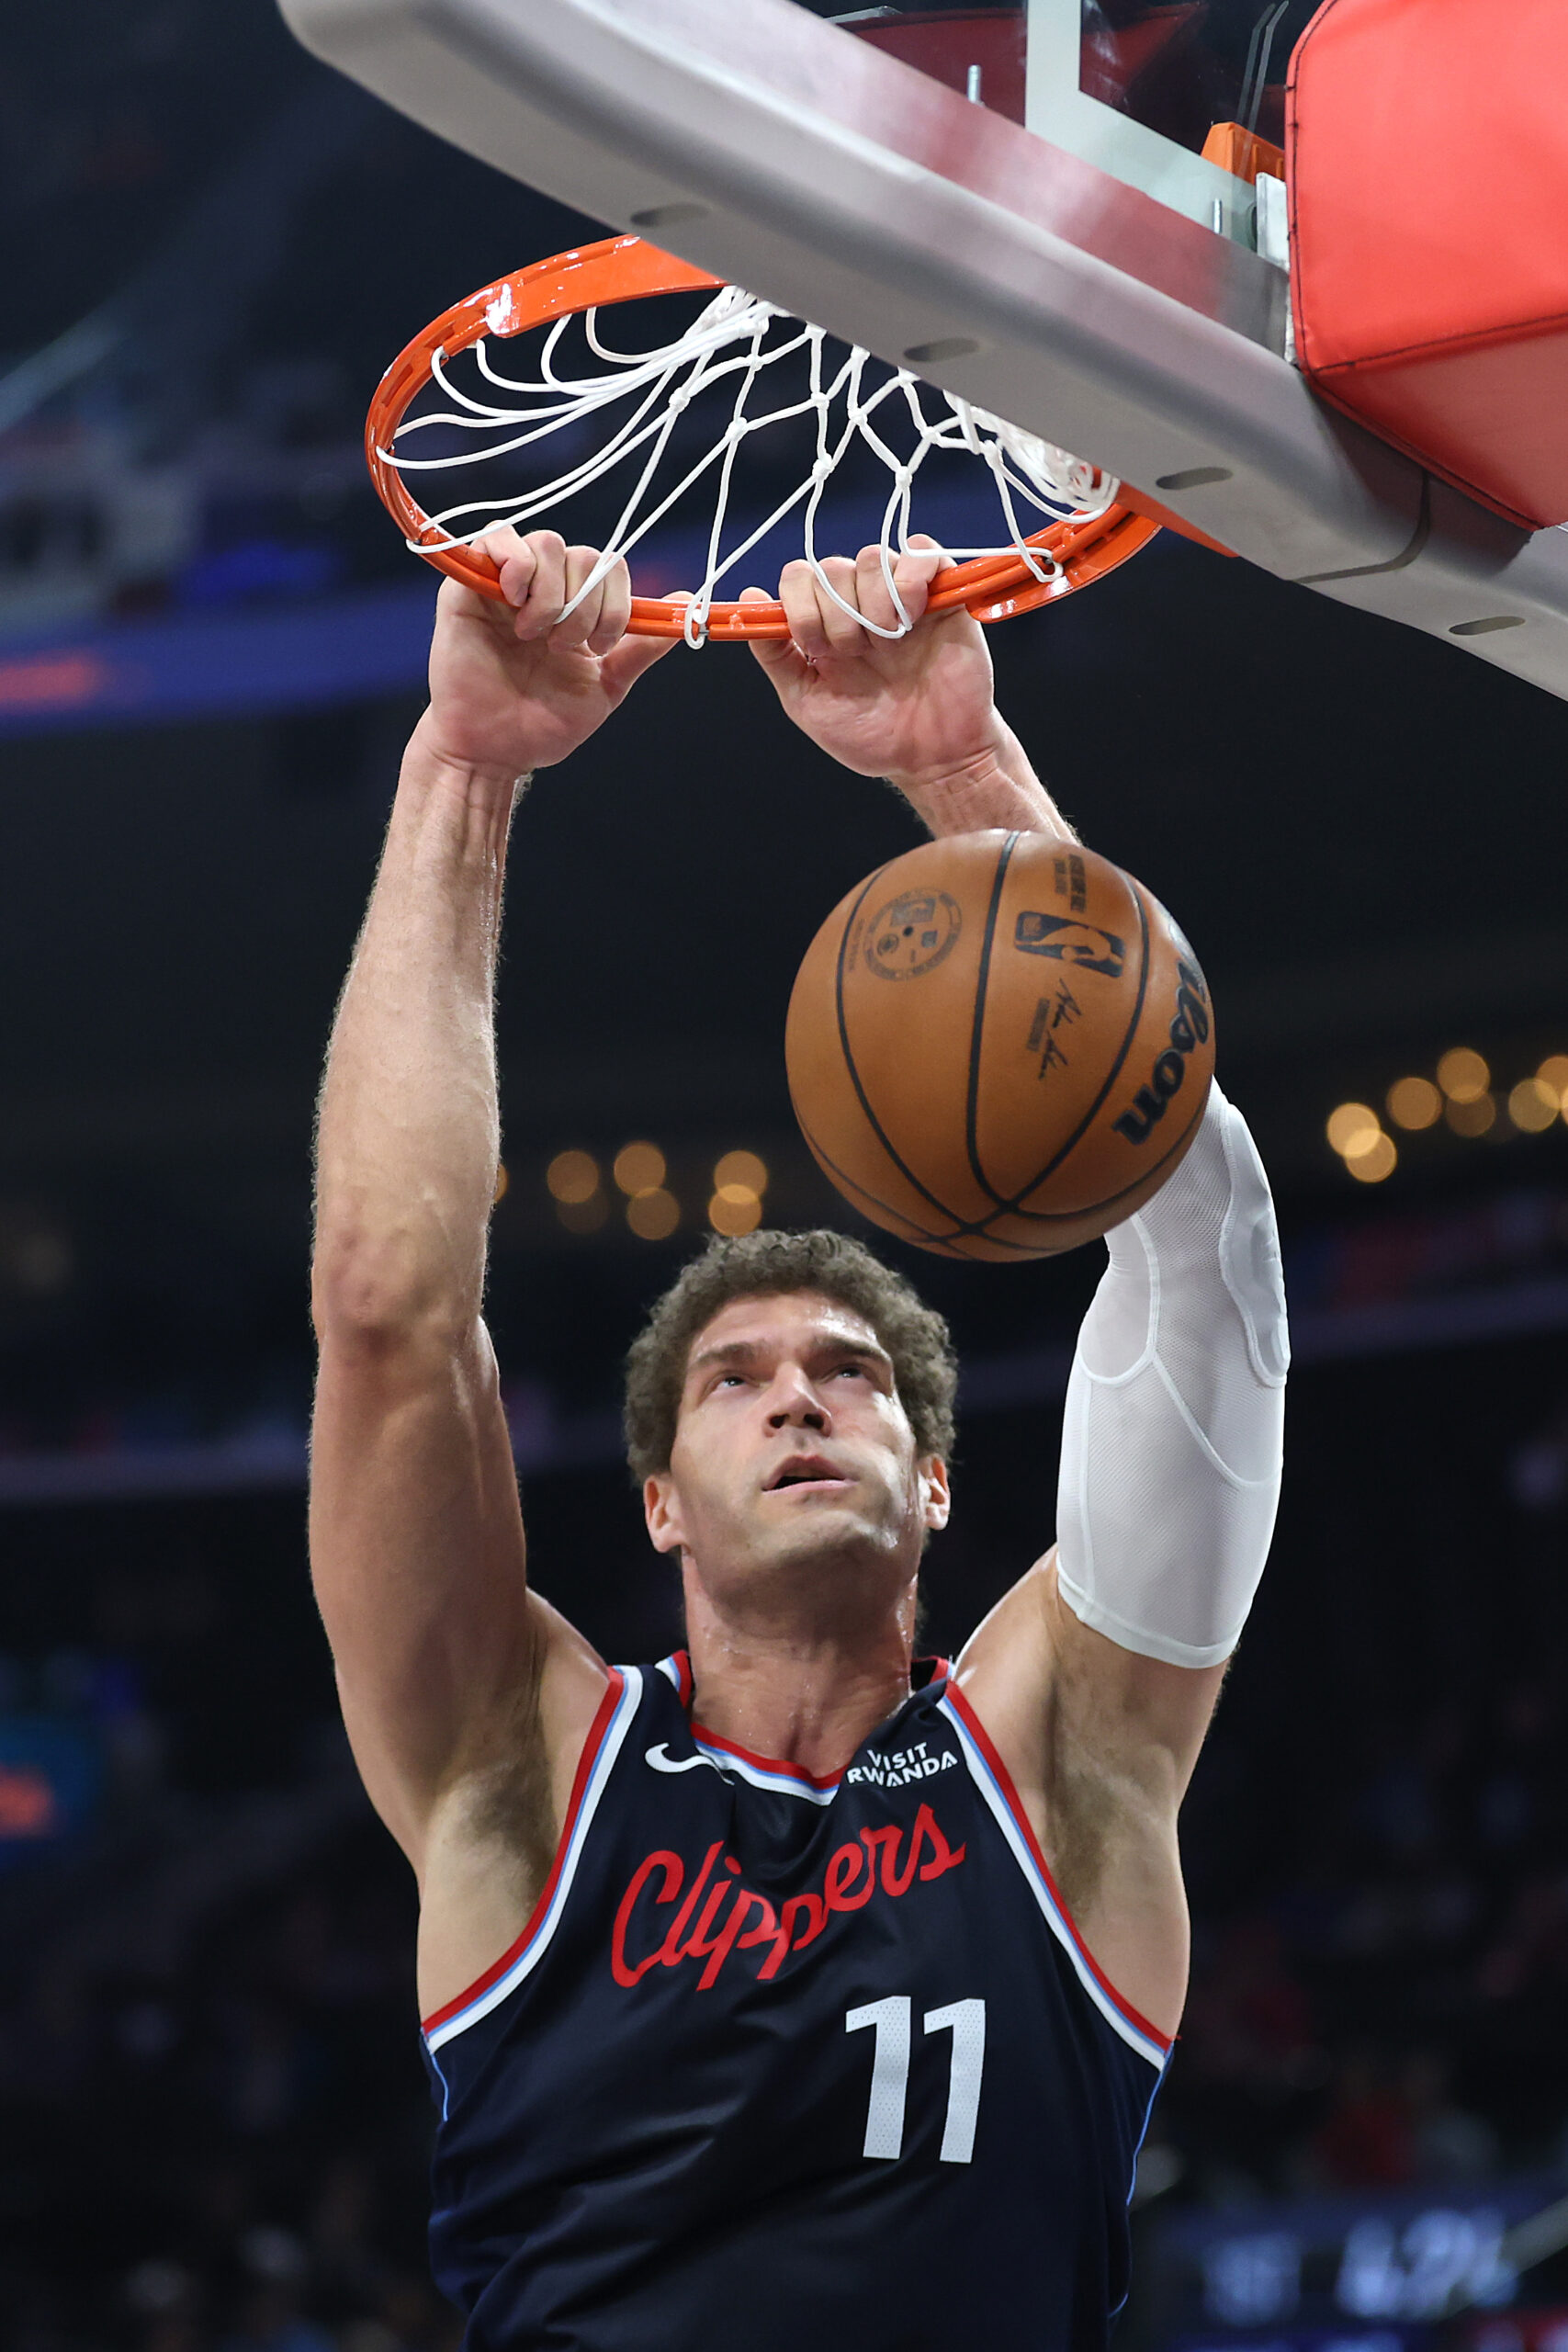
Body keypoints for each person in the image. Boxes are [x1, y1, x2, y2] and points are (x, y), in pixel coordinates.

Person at [310, 527, 1290, 2350]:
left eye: (848, 1373)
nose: (796, 1393)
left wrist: (957, 777)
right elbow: (387, 1304)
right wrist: (460, 772)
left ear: (933, 1481)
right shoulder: (521, 1778)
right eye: (737, 1377)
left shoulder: (1063, 1761)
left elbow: (1207, 1264)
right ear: (661, 1504)